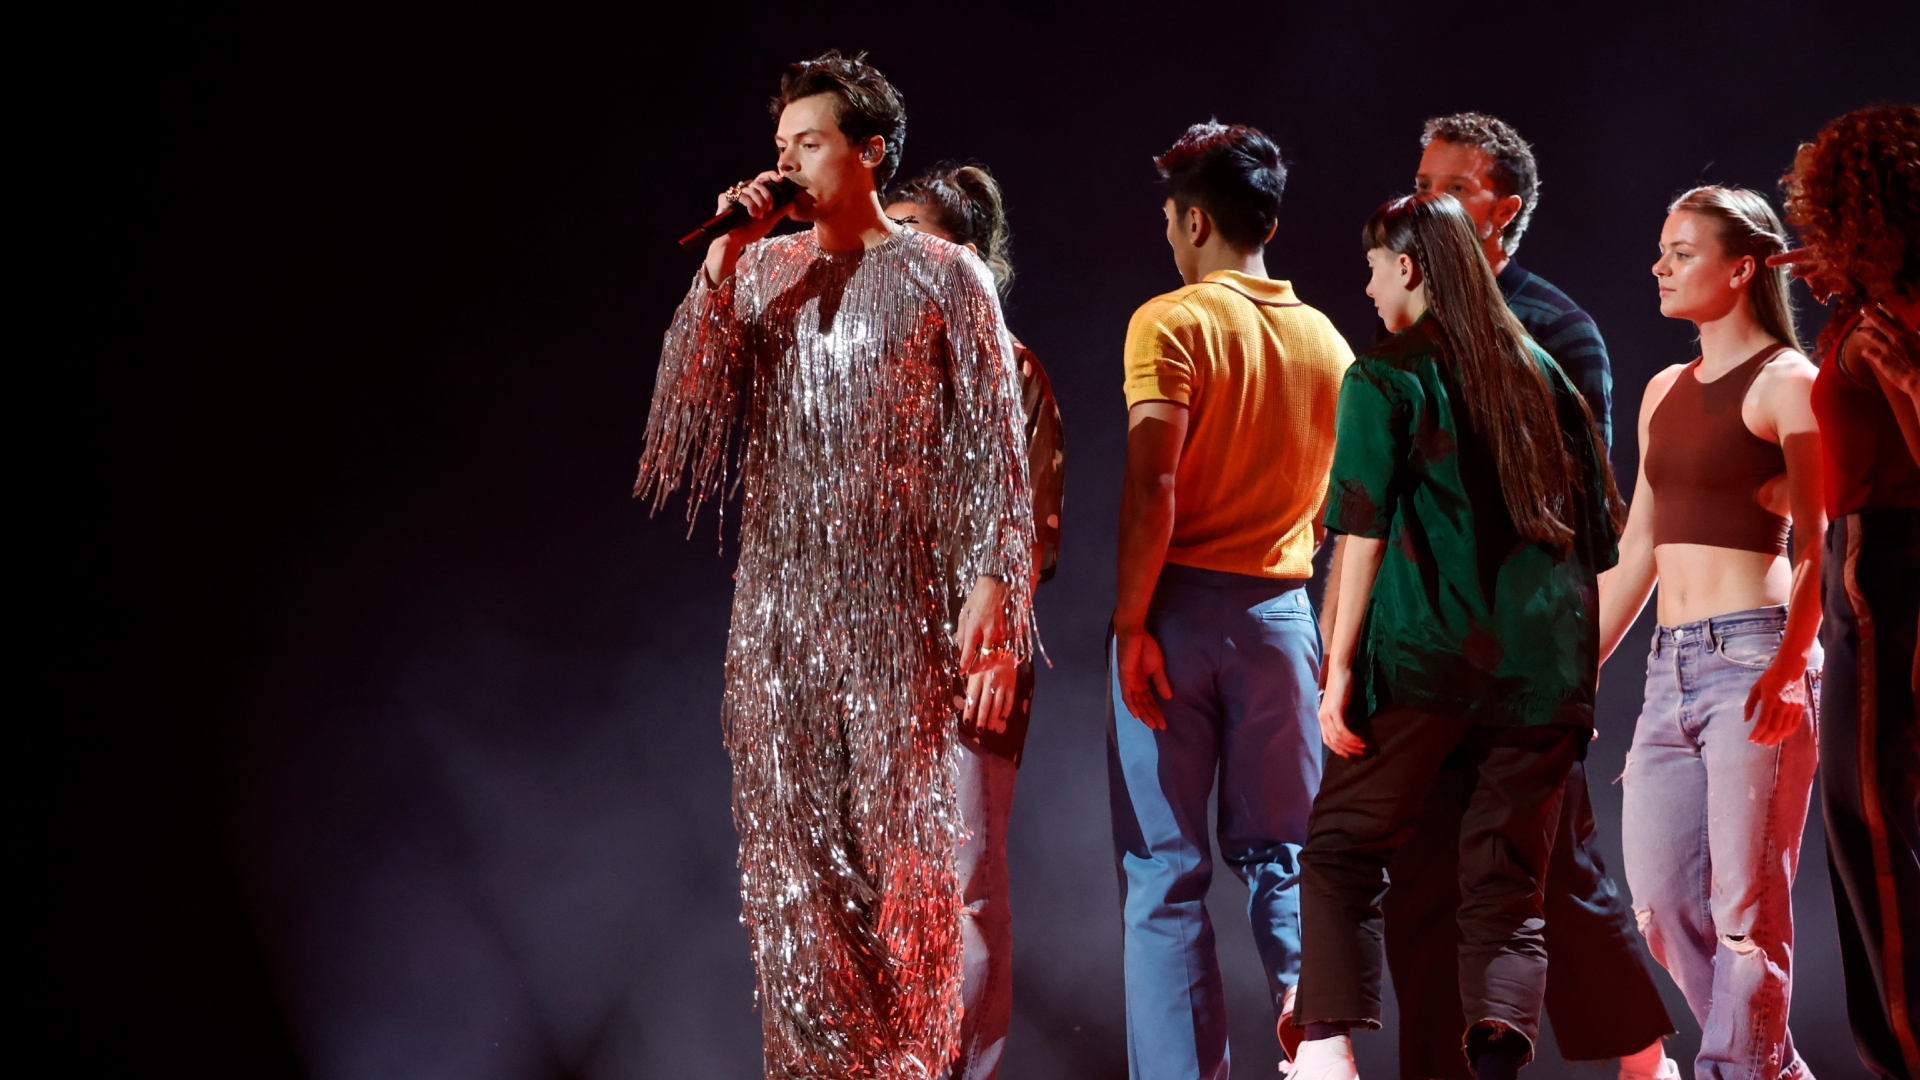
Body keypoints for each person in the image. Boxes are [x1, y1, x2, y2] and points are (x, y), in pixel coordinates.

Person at [633, 52, 1034, 1079]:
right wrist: (722, 266)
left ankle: (908, 1067)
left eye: (806, 144)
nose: (786, 163)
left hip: (897, 618)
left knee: (906, 875)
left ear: (868, 153)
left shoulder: (949, 277)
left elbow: (997, 446)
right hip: (775, 619)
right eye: (780, 148)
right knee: (793, 881)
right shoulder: (763, 269)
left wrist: (991, 586)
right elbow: (684, 414)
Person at [1295, 193, 1625, 1080]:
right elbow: (1598, 543)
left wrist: (1337, 671)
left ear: (1407, 267)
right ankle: (1497, 1049)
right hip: (1547, 682)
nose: (1365, 288)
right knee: (1506, 887)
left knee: (1341, 848)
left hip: (1427, 666)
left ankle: (1324, 1048)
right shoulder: (1547, 377)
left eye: (1372, 268)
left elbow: (1356, 533)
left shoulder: (1386, 375)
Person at [1387, 111, 1673, 1080]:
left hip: (1520, 661)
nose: (1419, 202)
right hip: (1423, 661)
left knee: (1551, 876)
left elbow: (1582, 515)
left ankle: (1645, 1062)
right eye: (1417, 183)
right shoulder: (1407, 320)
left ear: (1501, 212)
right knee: (1422, 887)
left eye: (1445, 188)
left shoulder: (1559, 331)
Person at [1107, 121, 1354, 1080]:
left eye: (1173, 220)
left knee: (1165, 871)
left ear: (1197, 219)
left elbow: (1152, 484)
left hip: (1177, 611)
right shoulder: (1328, 341)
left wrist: (1132, 623)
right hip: (1282, 618)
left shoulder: (1170, 321)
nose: (1170, 238)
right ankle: (1313, 1031)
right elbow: (1343, 503)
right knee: (1286, 853)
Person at [1597, 186, 1823, 1080]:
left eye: (1682, 251)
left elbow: (1819, 541)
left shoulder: (1787, 384)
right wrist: (1572, 673)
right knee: (1659, 905)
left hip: (1756, 658)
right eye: (1661, 249)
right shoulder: (1662, 391)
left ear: (1743, 268)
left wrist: (1795, 660)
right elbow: (1638, 548)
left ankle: (1741, 1070)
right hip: (1669, 673)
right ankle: (1772, 1069)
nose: (1660, 265)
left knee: (1745, 912)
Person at [884, 163, 1066, 1080]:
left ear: (960, 254)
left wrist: (994, 645)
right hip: (877, 665)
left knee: (962, 893)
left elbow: (1030, 521)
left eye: (910, 229)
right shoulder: (877, 369)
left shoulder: (1009, 367)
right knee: (882, 890)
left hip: (970, 664)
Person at [1774, 103, 1920, 1080]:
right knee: (1856, 827)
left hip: (1894, 571)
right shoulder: (1854, 314)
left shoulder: (1887, 320)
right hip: (1858, 568)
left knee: (1870, 821)